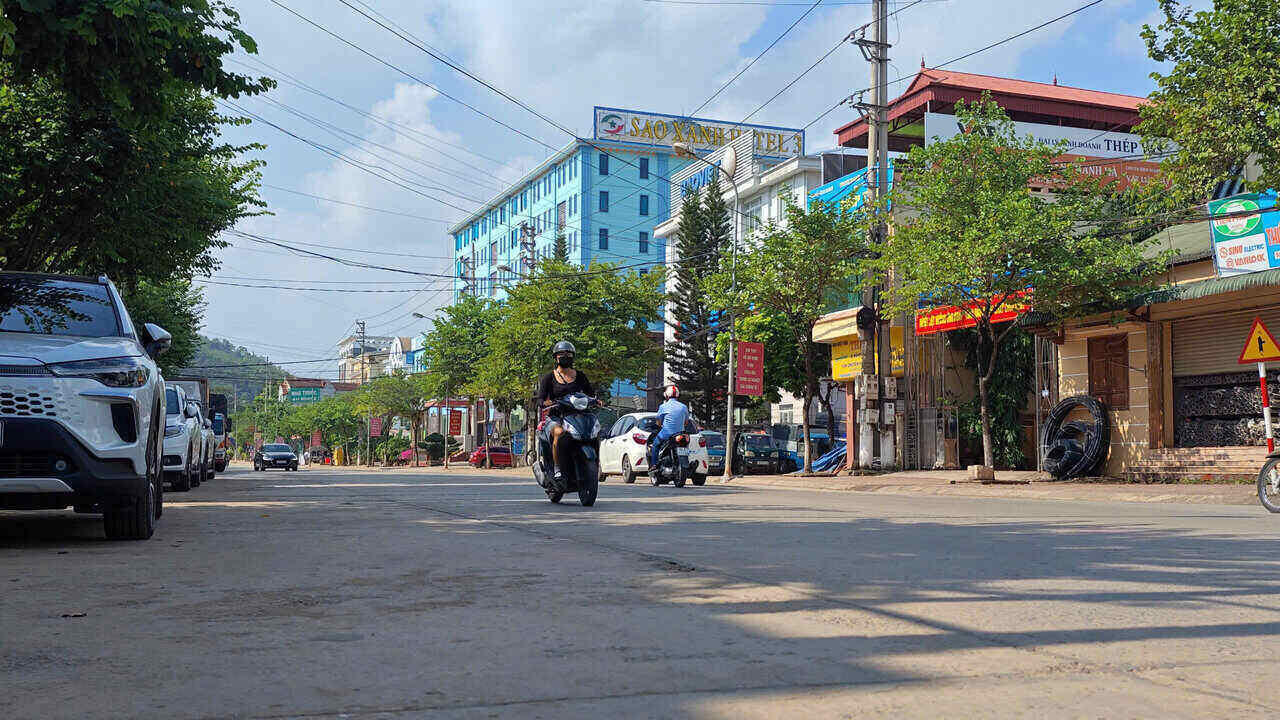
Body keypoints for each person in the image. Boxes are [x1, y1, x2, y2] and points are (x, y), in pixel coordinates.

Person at [535, 341, 594, 480]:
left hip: (577, 416)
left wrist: (596, 400)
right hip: (556, 417)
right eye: (561, 354)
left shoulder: (580, 376)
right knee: (559, 432)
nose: (565, 356)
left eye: (568, 354)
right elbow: (540, 399)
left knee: (593, 430)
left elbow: (590, 394)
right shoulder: (549, 377)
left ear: (573, 357)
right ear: (556, 358)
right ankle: (557, 468)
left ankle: (592, 463)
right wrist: (545, 403)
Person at [650, 385, 690, 474]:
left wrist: (660, 425)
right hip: (680, 434)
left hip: (666, 434)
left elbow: (659, 422)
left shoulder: (663, 407)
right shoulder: (684, 407)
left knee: (655, 445)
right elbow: (686, 422)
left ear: (666, 396)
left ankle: (654, 465)